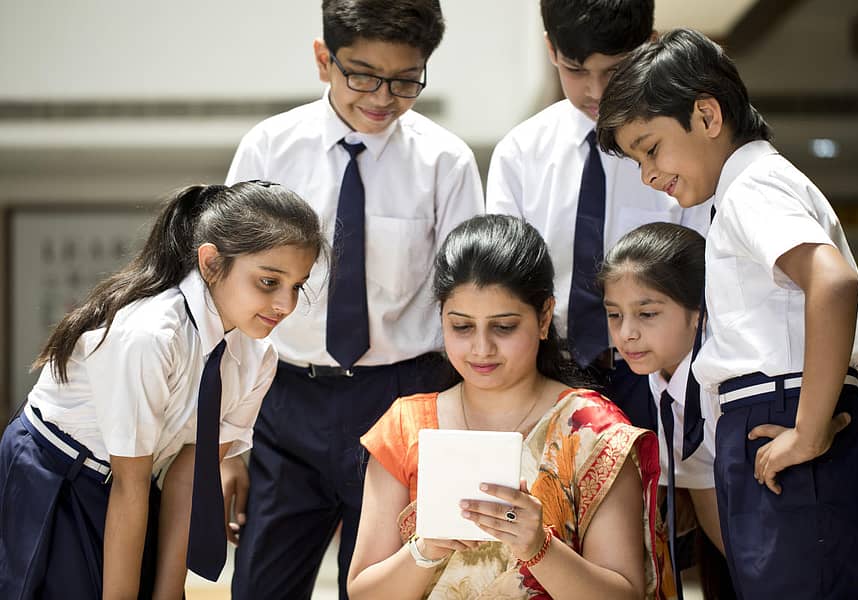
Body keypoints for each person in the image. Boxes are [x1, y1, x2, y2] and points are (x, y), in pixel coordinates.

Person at [596, 28, 858, 599]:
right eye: (636, 160)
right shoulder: (748, 189)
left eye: (650, 149)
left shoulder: (752, 186)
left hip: (782, 424)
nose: (647, 174)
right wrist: (834, 414)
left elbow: (834, 284)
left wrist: (810, 431)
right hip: (785, 422)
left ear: (707, 115)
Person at [221, 1, 484, 598]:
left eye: (405, 80)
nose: (383, 97)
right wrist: (222, 442)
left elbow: (468, 302)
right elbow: (228, 307)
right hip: (286, 397)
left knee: (379, 588)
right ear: (324, 60)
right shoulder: (269, 148)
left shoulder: (446, 162)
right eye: (363, 76)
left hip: (402, 399)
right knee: (261, 586)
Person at [0, 181, 324, 600]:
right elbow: (129, 485)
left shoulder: (259, 357)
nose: (286, 305)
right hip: (56, 472)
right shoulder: (150, 335)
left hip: (134, 484)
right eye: (268, 282)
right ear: (211, 263)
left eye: (297, 286)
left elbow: (190, 476)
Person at [347, 214, 661, 600]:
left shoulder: (593, 432)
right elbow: (363, 593)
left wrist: (539, 548)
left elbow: (625, 595)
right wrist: (425, 549)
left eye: (504, 327)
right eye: (462, 327)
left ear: (544, 317)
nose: (482, 348)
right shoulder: (406, 427)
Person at [485, 0, 710, 432]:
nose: (596, 90)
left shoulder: (677, 152)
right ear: (551, 50)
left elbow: (702, 278)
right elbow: (504, 286)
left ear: (649, 48)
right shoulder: (520, 154)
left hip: (656, 372)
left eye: (615, 71)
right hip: (547, 371)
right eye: (575, 70)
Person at [599, 222, 730, 599]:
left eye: (647, 314)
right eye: (614, 315)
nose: (626, 333)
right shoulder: (659, 378)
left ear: (699, 311)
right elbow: (708, 498)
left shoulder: (731, 381)